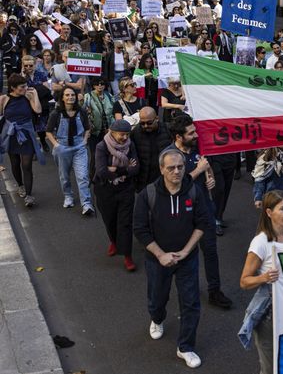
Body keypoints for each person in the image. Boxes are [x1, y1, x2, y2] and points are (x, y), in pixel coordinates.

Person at [133, 148, 210, 369]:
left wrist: (186, 251)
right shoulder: (147, 194)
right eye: (171, 168)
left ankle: (185, 347)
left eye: (180, 167)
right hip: (157, 259)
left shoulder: (194, 191)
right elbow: (140, 229)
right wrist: (160, 254)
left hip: (187, 258)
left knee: (191, 303)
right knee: (157, 299)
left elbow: (202, 223)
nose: (176, 171)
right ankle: (157, 319)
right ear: (161, 169)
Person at [166, 114, 232, 309]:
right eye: (191, 133)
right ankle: (187, 292)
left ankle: (215, 291)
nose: (196, 135)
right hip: (183, 216)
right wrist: (197, 171)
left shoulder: (198, 149)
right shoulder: (169, 156)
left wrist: (208, 176)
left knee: (211, 252)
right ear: (179, 136)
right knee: (186, 257)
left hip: (204, 211)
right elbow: (174, 184)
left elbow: (206, 167)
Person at [239, 190, 283, 374]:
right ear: (269, 213)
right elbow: (244, 281)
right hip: (270, 311)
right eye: (282, 208)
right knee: (270, 365)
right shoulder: (260, 243)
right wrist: (264, 278)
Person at [93, 119, 139, 271]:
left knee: (125, 223)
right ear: (111, 133)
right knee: (110, 219)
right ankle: (113, 240)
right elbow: (101, 171)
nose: (124, 138)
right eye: (121, 135)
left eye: (127, 134)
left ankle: (127, 256)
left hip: (126, 188)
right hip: (105, 189)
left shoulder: (130, 145)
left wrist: (117, 170)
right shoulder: (102, 146)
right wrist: (125, 168)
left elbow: (135, 168)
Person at [46, 86, 95, 215]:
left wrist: (85, 140)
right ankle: (68, 196)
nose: (70, 97)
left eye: (72, 95)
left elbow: (87, 127)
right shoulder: (56, 114)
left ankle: (87, 204)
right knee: (65, 176)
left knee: (83, 176)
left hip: (79, 147)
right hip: (62, 148)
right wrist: (56, 145)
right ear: (62, 97)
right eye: (67, 95)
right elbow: (48, 131)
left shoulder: (82, 111)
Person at [0, 74, 44, 207]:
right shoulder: (4, 99)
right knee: (15, 163)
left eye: (25, 86)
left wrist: (35, 94)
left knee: (26, 165)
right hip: (11, 133)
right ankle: (20, 185)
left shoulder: (28, 96)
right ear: (13, 88)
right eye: (22, 87)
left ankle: (29, 196)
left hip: (27, 134)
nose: (25, 88)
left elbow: (38, 110)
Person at [132, 107, 173, 192]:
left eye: (149, 123)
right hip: (143, 180)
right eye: (142, 123)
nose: (146, 126)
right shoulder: (136, 132)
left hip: (164, 178)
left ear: (157, 118)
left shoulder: (168, 129)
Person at [83, 78, 115, 176]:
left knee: (108, 153)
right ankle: (93, 175)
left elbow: (113, 112)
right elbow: (83, 111)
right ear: (93, 86)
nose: (100, 86)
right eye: (97, 84)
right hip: (94, 131)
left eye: (102, 84)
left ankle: (104, 174)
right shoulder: (88, 96)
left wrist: (112, 127)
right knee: (94, 154)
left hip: (107, 131)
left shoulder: (109, 96)